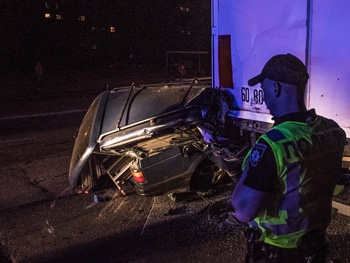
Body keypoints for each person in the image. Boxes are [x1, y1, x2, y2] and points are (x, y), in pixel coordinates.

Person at [231, 54, 346, 263]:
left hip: (277, 253)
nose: (264, 99)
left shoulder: (272, 144)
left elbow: (243, 211)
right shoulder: (333, 131)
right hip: (315, 248)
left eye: (264, 90)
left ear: (275, 88)